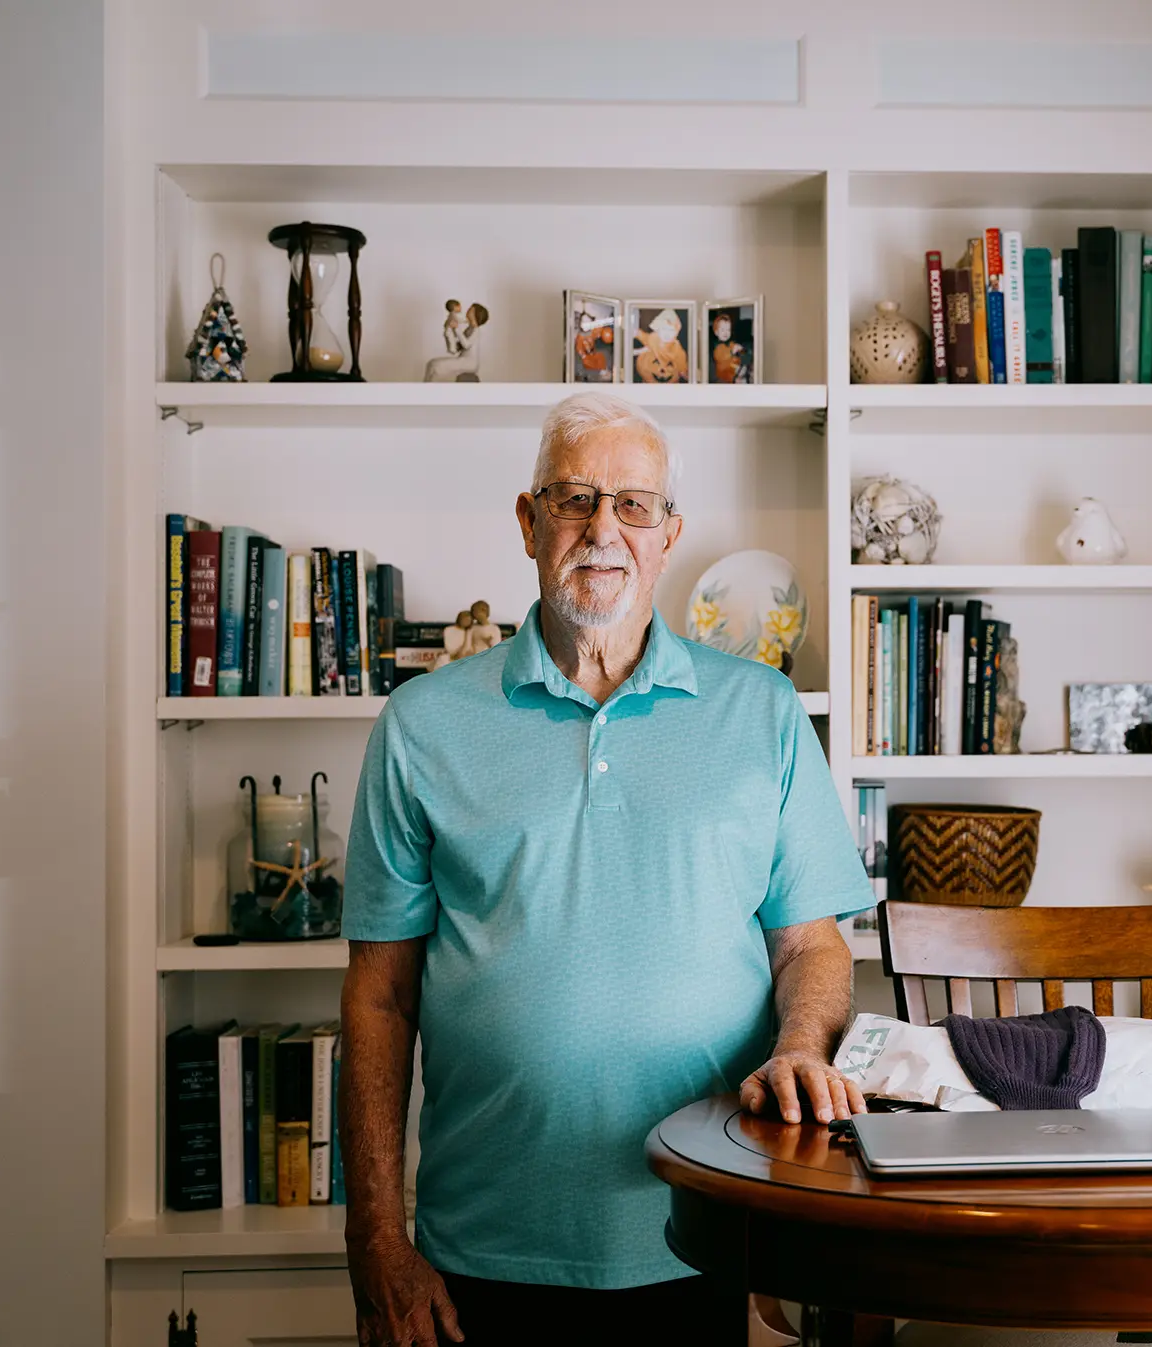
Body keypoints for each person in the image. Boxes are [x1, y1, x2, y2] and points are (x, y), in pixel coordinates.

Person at [340, 391, 872, 1346]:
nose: (602, 529)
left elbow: (811, 946)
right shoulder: (421, 725)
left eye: (633, 504)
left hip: (712, 1228)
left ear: (669, 534)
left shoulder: (763, 712)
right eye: (573, 498)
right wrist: (374, 1235)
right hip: (479, 1255)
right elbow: (379, 997)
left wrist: (800, 1046)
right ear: (527, 521)